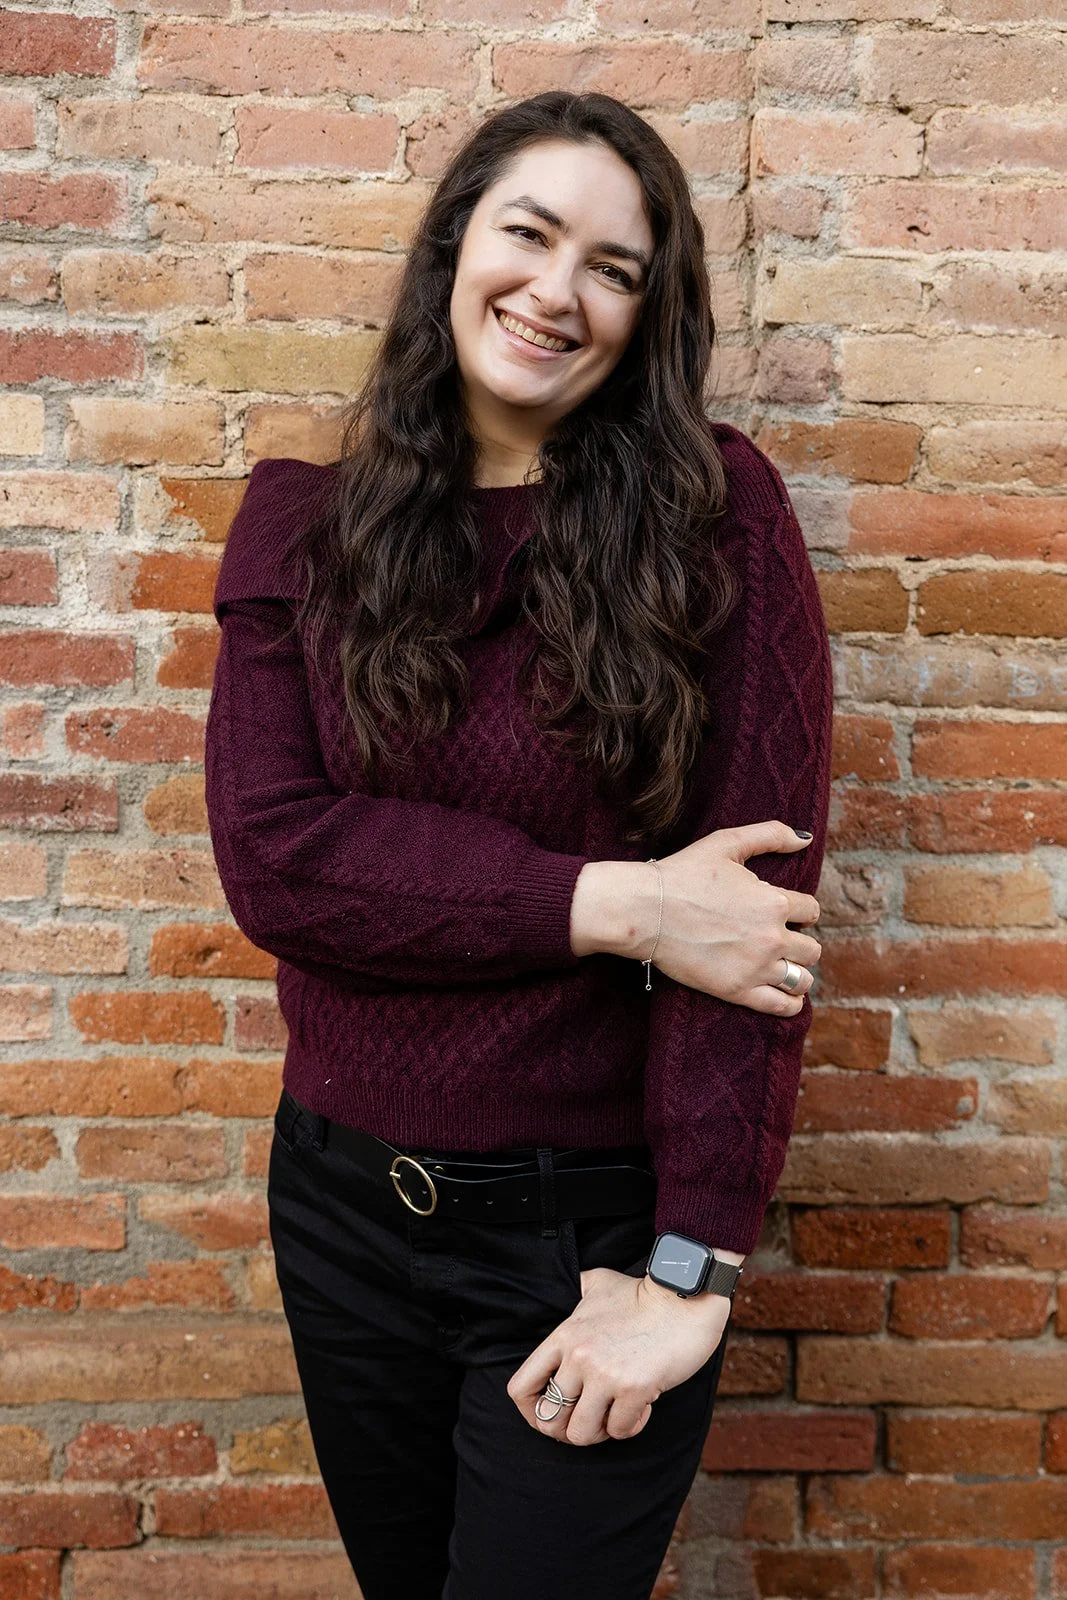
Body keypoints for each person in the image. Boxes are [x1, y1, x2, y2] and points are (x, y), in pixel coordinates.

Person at [205, 90, 832, 1600]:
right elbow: (280, 860)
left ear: (645, 315)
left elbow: (748, 935)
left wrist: (688, 1271)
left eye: (614, 268)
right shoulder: (303, 529)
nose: (557, 289)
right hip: (341, 1210)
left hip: (586, 1234)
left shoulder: (716, 520)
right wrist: (621, 906)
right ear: (452, 251)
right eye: (528, 234)